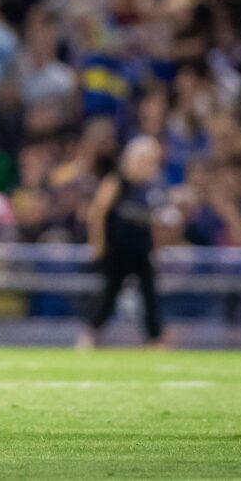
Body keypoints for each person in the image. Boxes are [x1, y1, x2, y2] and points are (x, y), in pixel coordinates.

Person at [78, 135, 166, 348]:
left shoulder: (150, 189)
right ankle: (90, 335)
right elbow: (96, 213)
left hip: (141, 251)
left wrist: (156, 247)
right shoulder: (117, 182)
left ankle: (154, 339)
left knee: (149, 295)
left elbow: (154, 223)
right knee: (109, 294)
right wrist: (97, 245)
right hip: (117, 251)